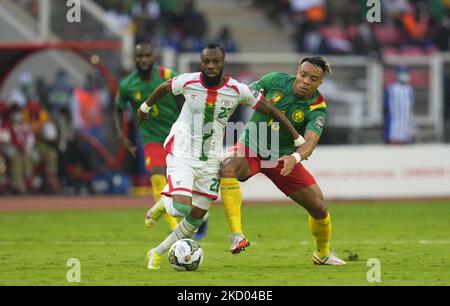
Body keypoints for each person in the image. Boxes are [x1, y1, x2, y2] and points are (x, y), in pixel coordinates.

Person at [138, 43, 305, 269]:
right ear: (201, 63)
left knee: (197, 216)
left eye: (215, 61)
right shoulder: (189, 81)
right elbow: (166, 87)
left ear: (223, 64)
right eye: (206, 61)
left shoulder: (237, 90)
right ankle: (166, 202)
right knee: (182, 207)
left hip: (210, 158)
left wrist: (296, 137)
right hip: (183, 151)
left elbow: (270, 109)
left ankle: (156, 252)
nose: (210, 65)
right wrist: (145, 107)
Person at [220, 56, 347, 265]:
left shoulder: (317, 106)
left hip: (283, 159)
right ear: (297, 72)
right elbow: (245, 94)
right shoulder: (274, 80)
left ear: (319, 83)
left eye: (313, 79)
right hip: (250, 146)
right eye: (303, 75)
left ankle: (322, 255)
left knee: (319, 208)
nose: (306, 81)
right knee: (227, 168)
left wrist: (295, 157)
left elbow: (310, 141)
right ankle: (237, 235)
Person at [114, 43, 180, 232]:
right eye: (140, 56)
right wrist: (121, 136)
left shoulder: (168, 76)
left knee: (178, 181)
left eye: (147, 56)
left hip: (177, 135)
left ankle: (196, 217)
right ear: (134, 59)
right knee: (157, 174)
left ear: (153, 57)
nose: (144, 60)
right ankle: (174, 229)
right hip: (151, 137)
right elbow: (118, 109)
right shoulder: (127, 85)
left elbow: (185, 99)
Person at [384, 65, 415, 144]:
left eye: (407, 73)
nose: (405, 75)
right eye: (403, 73)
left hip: (406, 125)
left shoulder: (410, 89)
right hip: (393, 126)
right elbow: (386, 106)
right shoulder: (391, 88)